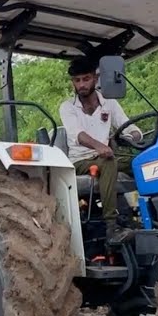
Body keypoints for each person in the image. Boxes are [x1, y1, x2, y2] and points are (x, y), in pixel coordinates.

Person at [58, 56, 142, 242]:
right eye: (77, 80)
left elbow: (129, 126)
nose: (81, 84)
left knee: (141, 163)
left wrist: (134, 136)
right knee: (109, 162)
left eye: (86, 79)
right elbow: (77, 135)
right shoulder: (68, 107)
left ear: (95, 79)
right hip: (81, 160)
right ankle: (112, 227)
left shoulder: (109, 102)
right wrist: (100, 146)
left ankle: (143, 214)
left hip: (106, 155)